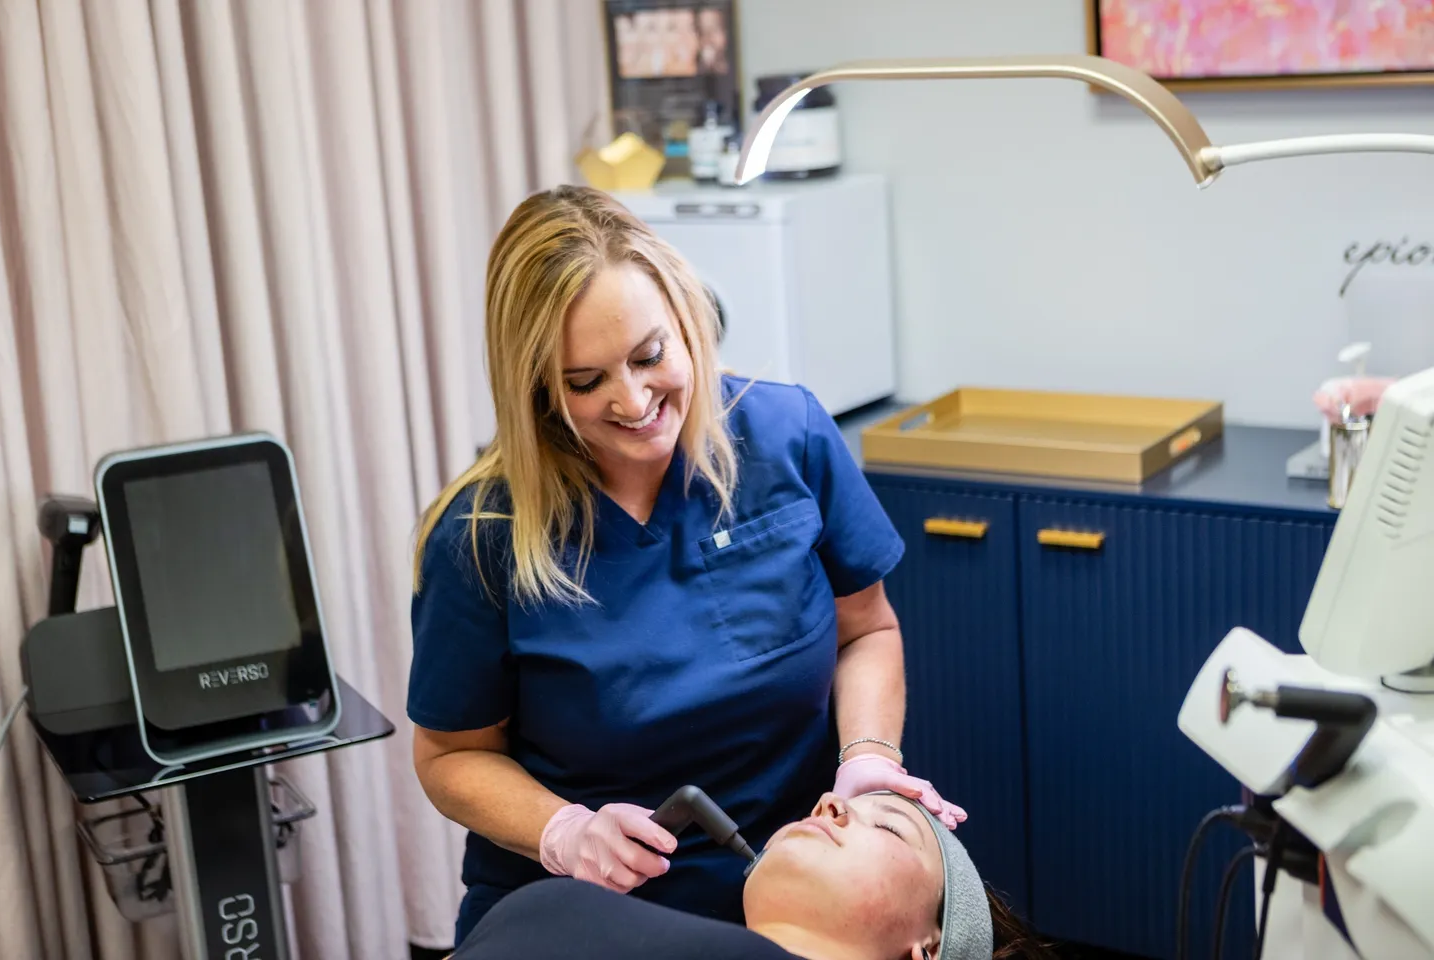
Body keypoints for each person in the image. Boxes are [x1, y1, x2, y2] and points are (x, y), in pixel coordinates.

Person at [407, 185, 966, 944]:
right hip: (586, 917)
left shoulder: (784, 435)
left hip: (795, 901)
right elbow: (449, 756)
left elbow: (866, 629)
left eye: (650, 355)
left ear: (685, 318)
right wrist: (562, 830)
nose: (634, 400)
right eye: (585, 381)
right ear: (535, 385)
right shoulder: (486, 534)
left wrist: (868, 756)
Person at [450, 791, 1055, 960]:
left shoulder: (554, 914)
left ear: (924, 951)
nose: (829, 803)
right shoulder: (549, 910)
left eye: (889, 827)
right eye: (836, 802)